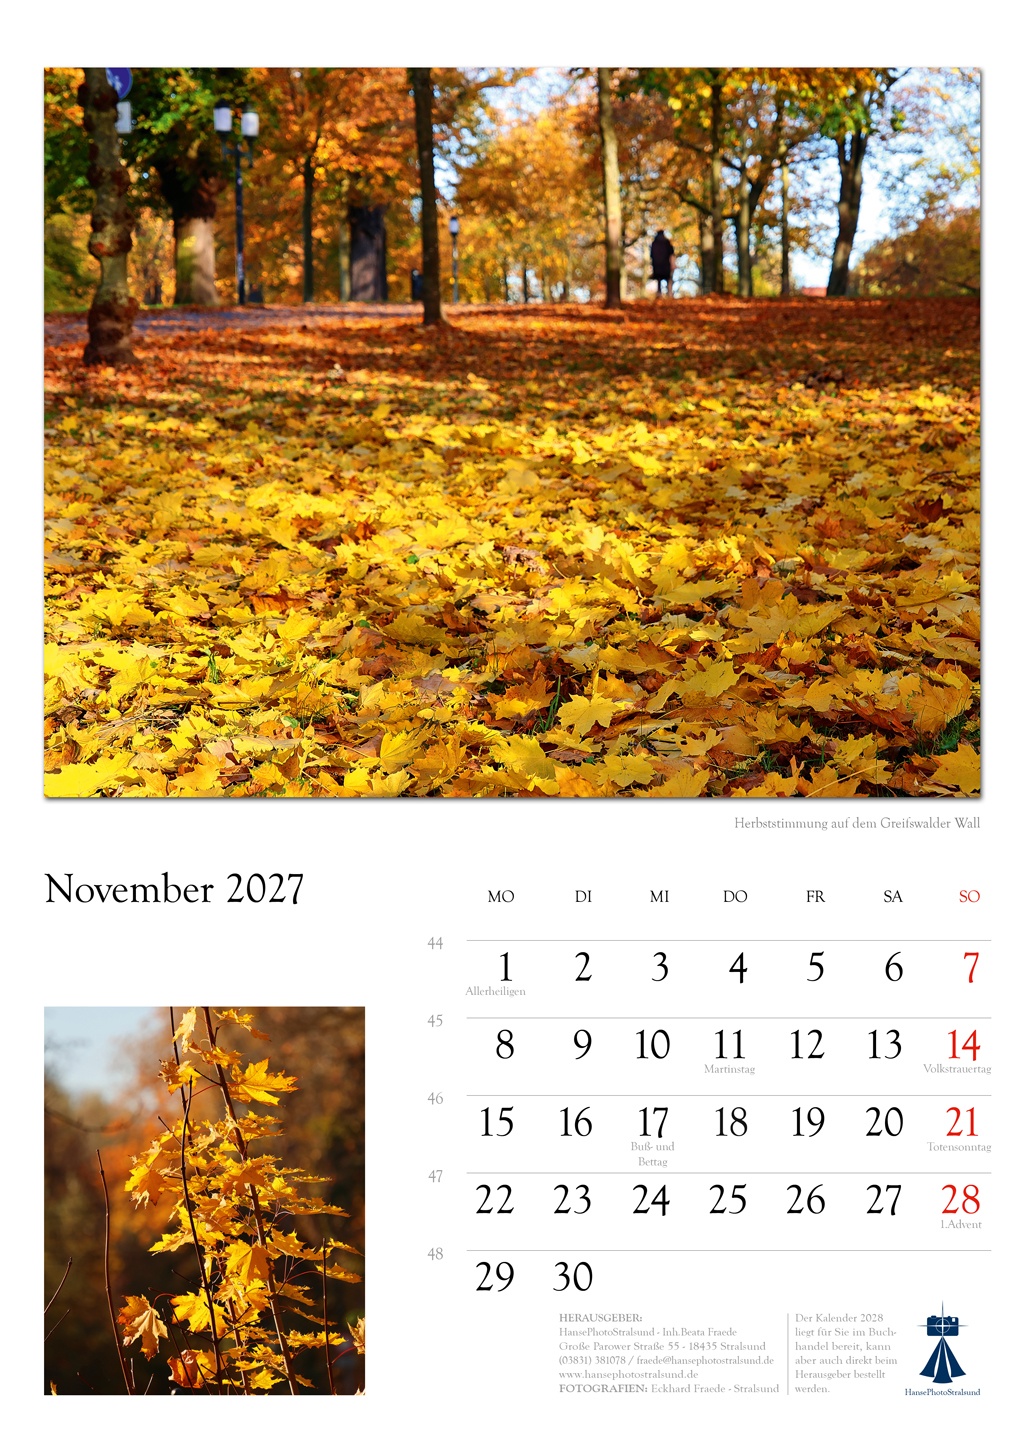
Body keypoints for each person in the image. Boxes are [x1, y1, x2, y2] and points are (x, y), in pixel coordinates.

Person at [650, 230, 674, 296]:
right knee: (668, 279)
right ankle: (669, 293)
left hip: (657, 265)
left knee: (659, 280)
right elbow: (671, 254)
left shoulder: (654, 243)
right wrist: (672, 264)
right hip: (666, 265)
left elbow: (651, 256)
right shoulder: (667, 242)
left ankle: (659, 293)